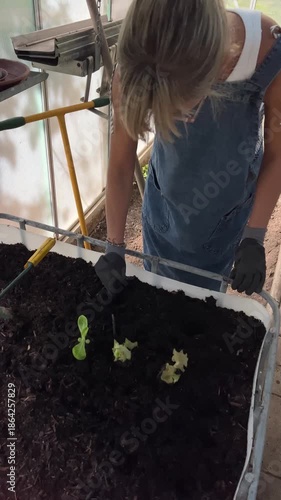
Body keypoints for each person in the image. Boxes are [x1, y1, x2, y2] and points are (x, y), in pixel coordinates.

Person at [95, 0, 281, 296]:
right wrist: (114, 247)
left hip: (226, 209)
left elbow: (277, 151)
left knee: (205, 300)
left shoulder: (267, 48)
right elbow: (120, 163)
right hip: (165, 203)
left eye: (185, 110)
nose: (186, 120)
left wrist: (254, 236)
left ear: (215, 68)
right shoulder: (137, 60)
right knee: (159, 290)